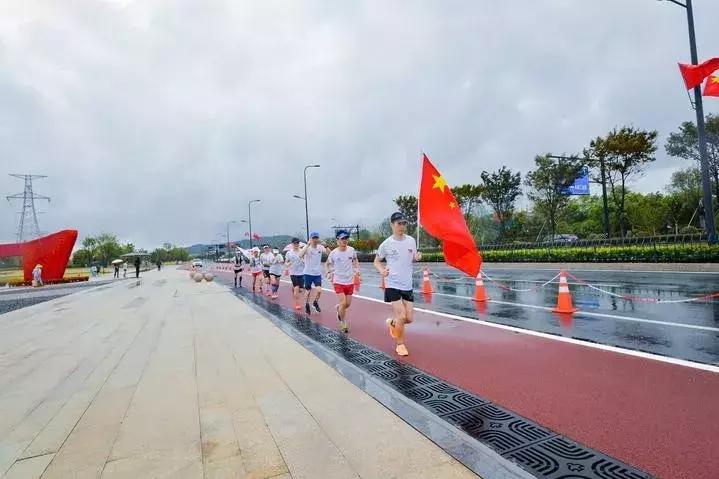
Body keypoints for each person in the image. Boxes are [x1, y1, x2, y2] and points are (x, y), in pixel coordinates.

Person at [373, 212, 421, 357]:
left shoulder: (411, 240)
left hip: (407, 284)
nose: (402, 226)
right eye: (399, 223)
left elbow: (413, 258)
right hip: (392, 283)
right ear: (392, 224)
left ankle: (393, 323)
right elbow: (376, 261)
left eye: (403, 223)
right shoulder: (386, 244)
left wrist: (417, 258)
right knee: (401, 315)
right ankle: (400, 344)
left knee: (409, 318)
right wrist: (382, 270)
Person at [326, 230, 358, 333]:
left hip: (349, 281)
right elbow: (327, 264)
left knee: (347, 304)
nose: (345, 240)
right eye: (342, 239)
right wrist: (328, 272)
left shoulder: (351, 250)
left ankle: (339, 308)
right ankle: (343, 322)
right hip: (338, 281)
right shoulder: (333, 253)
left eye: (346, 238)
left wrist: (357, 269)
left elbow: (355, 260)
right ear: (337, 240)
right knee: (343, 303)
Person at [300, 231, 327, 315]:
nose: (315, 240)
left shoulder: (320, 247)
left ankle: (315, 302)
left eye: (316, 238)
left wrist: (325, 245)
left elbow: (330, 253)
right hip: (308, 273)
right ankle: (307, 304)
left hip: (317, 274)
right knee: (308, 291)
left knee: (319, 290)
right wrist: (307, 244)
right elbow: (300, 255)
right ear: (310, 239)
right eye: (313, 238)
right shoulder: (306, 247)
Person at [285, 238, 305, 310]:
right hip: (293, 273)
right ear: (292, 244)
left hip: (302, 273)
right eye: (294, 243)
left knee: (301, 290)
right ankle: (297, 303)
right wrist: (288, 264)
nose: (296, 244)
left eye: (297, 243)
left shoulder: (302, 251)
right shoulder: (289, 253)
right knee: (296, 288)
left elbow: (307, 261)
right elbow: (286, 262)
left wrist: (304, 261)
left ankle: (294, 289)